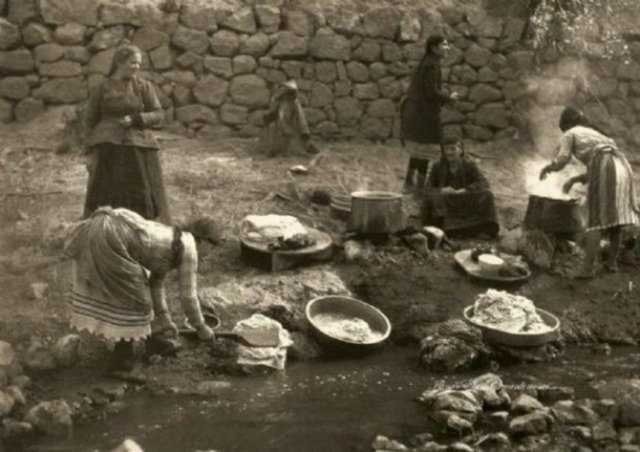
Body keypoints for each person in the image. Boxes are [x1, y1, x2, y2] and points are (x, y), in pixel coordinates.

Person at [63, 207, 218, 373]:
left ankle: (151, 341)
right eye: (212, 246)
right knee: (134, 300)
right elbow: (188, 297)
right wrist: (202, 328)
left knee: (138, 295)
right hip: (111, 235)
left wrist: (165, 320)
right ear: (203, 241)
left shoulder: (174, 242)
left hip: (102, 230)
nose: (209, 254)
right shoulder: (190, 246)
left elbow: (155, 285)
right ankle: (121, 357)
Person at [539, 106, 640, 278]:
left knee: (596, 221)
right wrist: (573, 180)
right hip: (623, 167)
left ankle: (586, 270)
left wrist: (548, 168)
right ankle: (611, 263)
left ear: (566, 124)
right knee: (616, 221)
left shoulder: (569, 134)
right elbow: (600, 166)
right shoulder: (596, 134)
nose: (563, 131)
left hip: (605, 166)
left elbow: (563, 160)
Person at [83, 44, 170, 224]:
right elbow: (89, 121)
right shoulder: (102, 88)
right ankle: (106, 230)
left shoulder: (143, 86)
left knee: (141, 193)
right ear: (119, 62)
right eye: (133, 63)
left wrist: (137, 119)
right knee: (106, 195)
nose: (136, 67)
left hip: (138, 145)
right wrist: (89, 152)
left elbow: (159, 114)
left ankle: (140, 228)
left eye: (139, 64)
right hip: (107, 147)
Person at [401, 34, 458, 192]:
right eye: (444, 45)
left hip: (417, 112)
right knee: (425, 150)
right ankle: (419, 188)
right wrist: (449, 97)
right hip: (424, 114)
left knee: (418, 149)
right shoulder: (432, 66)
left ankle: (408, 183)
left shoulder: (426, 63)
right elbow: (431, 92)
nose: (447, 48)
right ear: (434, 48)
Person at [422, 140, 499, 238]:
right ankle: (450, 230)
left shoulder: (469, 165)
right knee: (433, 198)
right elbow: (427, 188)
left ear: (461, 150)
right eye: (446, 149)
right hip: (446, 201)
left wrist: (465, 190)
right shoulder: (438, 166)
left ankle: (478, 229)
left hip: (465, 199)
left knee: (488, 195)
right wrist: (442, 190)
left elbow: (483, 183)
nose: (449, 152)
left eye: (453, 149)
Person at [259, 80, 318, 156]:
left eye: (292, 93)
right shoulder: (278, 101)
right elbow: (272, 114)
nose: (291, 96)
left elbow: (301, 120)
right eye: (289, 93)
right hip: (279, 129)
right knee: (272, 127)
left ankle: (306, 145)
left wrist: (305, 134)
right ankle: (273, 149)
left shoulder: (295, 103)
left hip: (290, 129)